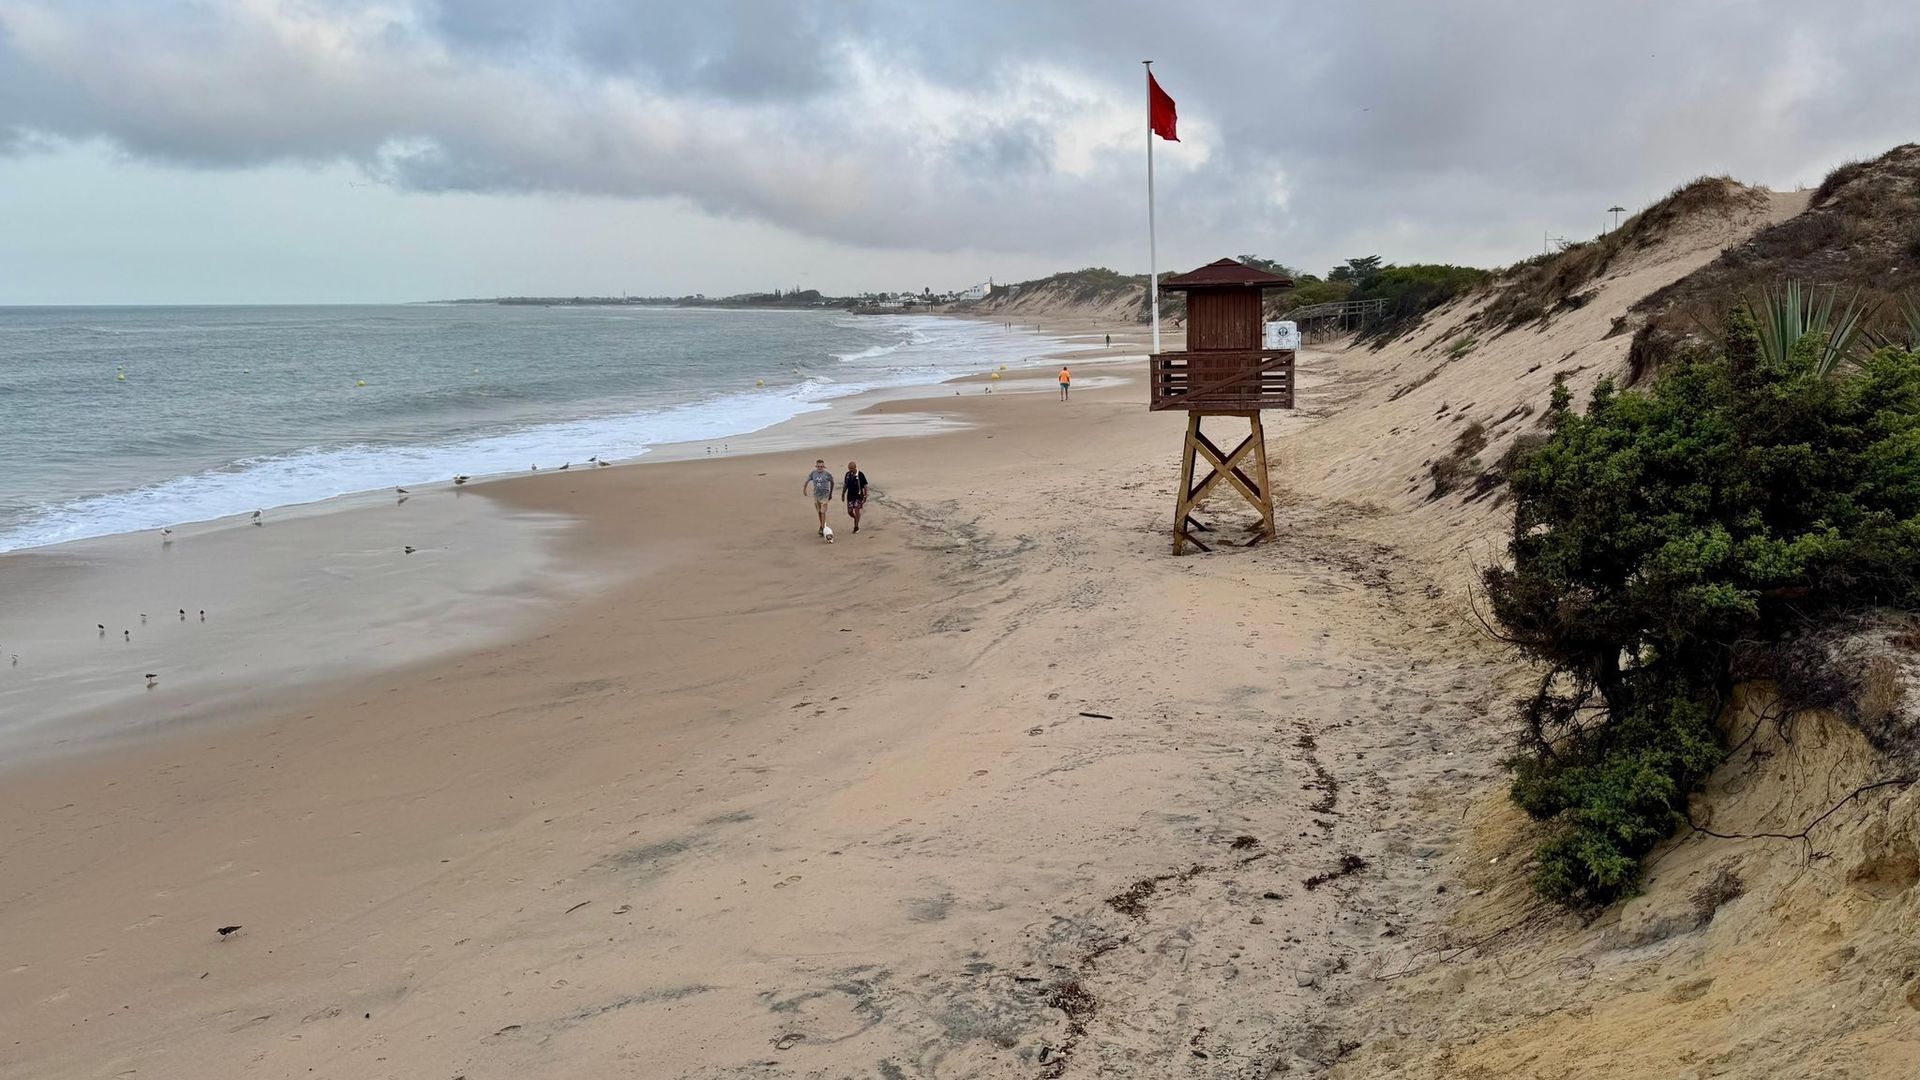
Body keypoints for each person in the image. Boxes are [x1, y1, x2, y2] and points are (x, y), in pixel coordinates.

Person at [803, 458, 835, 535]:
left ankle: (823, 528)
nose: (820, 468)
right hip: (816, 495)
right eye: (818, 466)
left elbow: (832, 482)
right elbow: (807, 481)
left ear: (823, 466)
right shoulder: (813, 473)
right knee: (819, 512)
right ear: (816, 466)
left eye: (821, 466)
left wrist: (830, 493)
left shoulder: (827, 474)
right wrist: (804, 489)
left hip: (825, 495)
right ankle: (821, 525)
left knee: (823, 511)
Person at [842, 460, 869, 533]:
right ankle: (856, 518)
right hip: (850, 496)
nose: (850, 470)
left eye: (851, 468)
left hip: (858, 496)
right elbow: (845, 485)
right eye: (849, 468)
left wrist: (865, 496)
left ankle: (856, 527)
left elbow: (865, 486)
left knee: (857, 509)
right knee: (850, 512)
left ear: (855, 467)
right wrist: (843, 494)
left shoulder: (860, 474)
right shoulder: (847, 474)